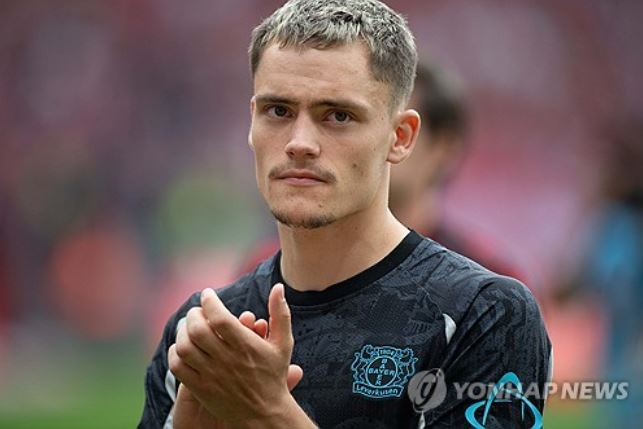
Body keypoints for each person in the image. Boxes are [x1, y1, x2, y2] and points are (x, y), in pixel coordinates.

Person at [138, 1, 551, 428]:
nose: (299, 142)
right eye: (278, 111)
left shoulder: (484, 313)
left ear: (400, 137)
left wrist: (270, 412)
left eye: (338, 115)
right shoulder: (205, 333)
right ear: (251, 121)